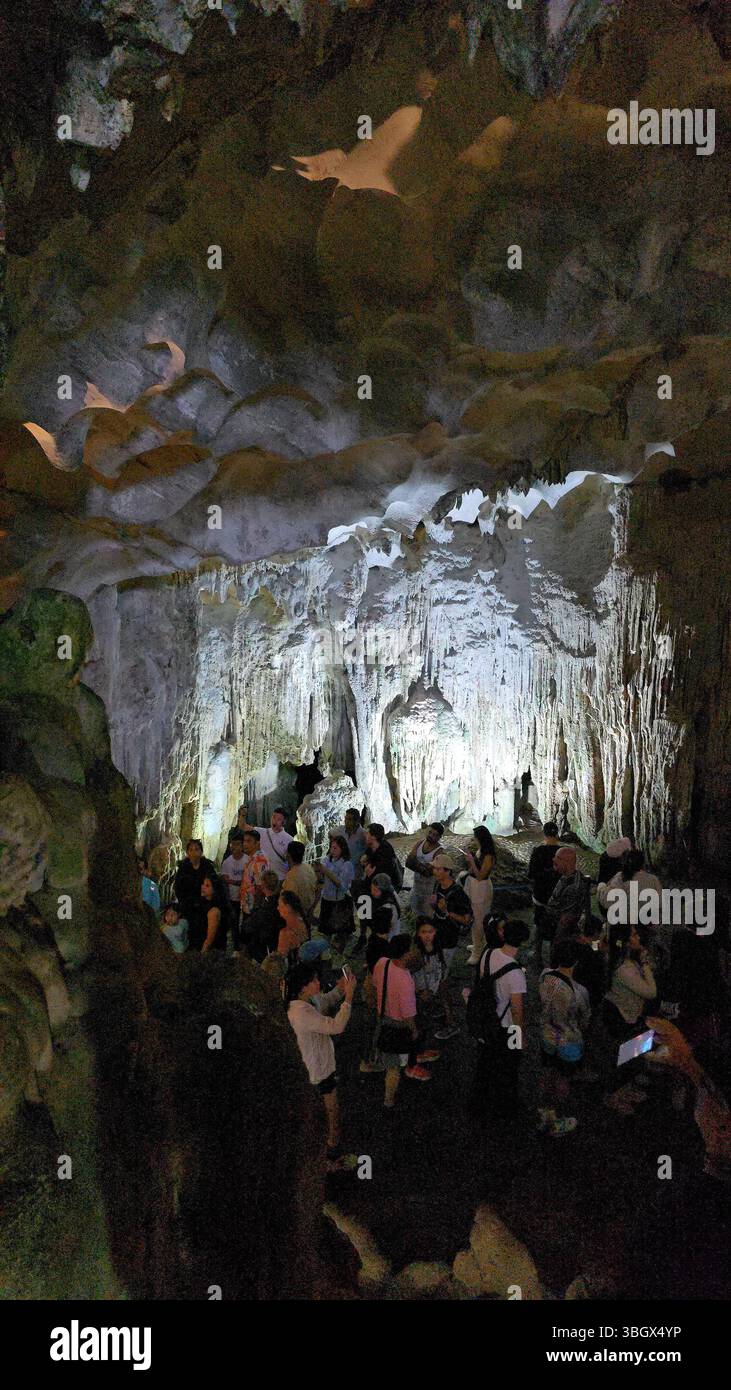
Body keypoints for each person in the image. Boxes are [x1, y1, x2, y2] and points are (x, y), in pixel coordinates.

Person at [286, 961, 357, 1172]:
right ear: (304, 986)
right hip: (318, 1074)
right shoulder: (301, 1013)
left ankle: (324, 1159)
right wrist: (349, 997)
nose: (318, 982)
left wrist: (339, 990)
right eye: (315, 980)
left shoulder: (300, 1003)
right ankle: (328, 1161)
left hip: (313, 1071)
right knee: (331, 1119)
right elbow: (336, 1026)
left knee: (320, 1119)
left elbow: (323, 1002)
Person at [471, 919, 529, 1119]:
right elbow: (517, 1011)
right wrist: (519, 1038)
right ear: (523, 941)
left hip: (486, 1019)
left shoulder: (488, 954)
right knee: (508, 1069)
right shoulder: (516, 974)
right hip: (504, 1026)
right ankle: (506, 1108)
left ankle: (479, 1102)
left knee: (486, 1063)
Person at [373, 935, 437, 1105]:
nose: (416, 950)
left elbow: (375, 983)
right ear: (406, 954)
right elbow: (408, 1014)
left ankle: (408, 1064)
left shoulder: (382, 962)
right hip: (397, 1024)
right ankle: (389, 1100)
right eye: (413, 948)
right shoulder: (405, 979)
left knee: (387, 1056)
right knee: (393, 1067)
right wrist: (414, 1029)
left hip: (382, 1018)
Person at [538, 938, 591, 1137]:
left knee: (547, 1071)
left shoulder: (544, 976)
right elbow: (584, 1019)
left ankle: (544, 1113)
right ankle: (556, 1121)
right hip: (569, 1041)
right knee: (563, 1079)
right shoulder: (579, 992)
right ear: (576, 962)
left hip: (546, 1035)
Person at [602, 923, 657, 1113]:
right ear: (625, 942)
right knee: (626, 1058)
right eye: (633, 935)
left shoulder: (623, 960)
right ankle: (612, 1096)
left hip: (629, 1014)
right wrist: (645, 964)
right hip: (624, 1017)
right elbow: (651, 992)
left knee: (632, 1056)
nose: (638, 938)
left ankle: (626, 1089)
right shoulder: (624, 968)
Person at [412, 918, 458, 1043]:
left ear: (435, 931)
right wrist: (419, 992)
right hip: (419, 991)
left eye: (430, 931)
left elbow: (441, 969)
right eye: (423, 932)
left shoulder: (439, 947)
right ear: (418, 933)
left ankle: (449, 1022)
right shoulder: (414, 952)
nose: (427, 935)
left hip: (434, 986)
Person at [543, 847, 591, 954]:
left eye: (558, 858)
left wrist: (556, 944)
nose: (553, 860)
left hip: (563, 935)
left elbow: (566, 919)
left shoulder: (573, 888)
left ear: (567, 862)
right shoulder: (567, 876)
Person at [430, 854, 472, 970]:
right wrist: (433, 905)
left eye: (438, 869)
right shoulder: (438, 884)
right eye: (434, 868)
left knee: (443, 968)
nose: (434, 872)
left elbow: (466, 920)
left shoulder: (458, 893)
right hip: (436, 933)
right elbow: (437, 909)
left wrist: (447, 912)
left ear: (447, 871)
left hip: (449, 938)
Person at [463, 825, 496, 965]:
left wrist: (471, 861)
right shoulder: (481, 850)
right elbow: (475, 868)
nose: (474, 839)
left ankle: (478, 952)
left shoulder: (488, 855)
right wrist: (470, 861)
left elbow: (481, 875)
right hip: (474, 887)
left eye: (475, 837)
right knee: (474, 916)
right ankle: (477, 945)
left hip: (480, 888)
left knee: (478, 920)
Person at [174, 840, 216, 948]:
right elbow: (178, 887)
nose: (194, 852)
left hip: (204, 905)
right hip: (188, 905)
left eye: (196, 849)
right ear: (187, 852)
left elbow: (213, 885)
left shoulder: (207, 867)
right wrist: (184, 901)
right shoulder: (183, 869)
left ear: (201, 852)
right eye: (191, 850)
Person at [528, 821, 561, 954]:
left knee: (539, 922)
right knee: (556, 924)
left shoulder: (538, 851)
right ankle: (554, 952)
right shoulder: (563, 852)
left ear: (544, 834)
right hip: (558, 894)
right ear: (557, 834)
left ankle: (537, 952)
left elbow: (531, 874)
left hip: (541, 894)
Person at [315, 835, 355, 945]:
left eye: (335, 848)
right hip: (327, 898)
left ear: (342, 849)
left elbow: (341, 886)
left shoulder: (346, 865)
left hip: (338, 901)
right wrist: (319, 873)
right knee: (326, 931)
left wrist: (325, 871)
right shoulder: (327, 859)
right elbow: (322, 879)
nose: (332, 850)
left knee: (339, 931)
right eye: (331, 847)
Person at [239, 829, 270, 953]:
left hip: (253, 908)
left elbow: (260, 887)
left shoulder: (260, 860)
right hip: (248, 905)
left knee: (252, 941)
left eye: (248, 841)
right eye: (244, 841)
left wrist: (256, 910)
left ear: (257, 843)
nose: (245, 844)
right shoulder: (251, 858)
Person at [405, 823, 444, 919]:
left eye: (434, 835)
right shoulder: (420, 843)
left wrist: (416, 864)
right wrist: (424, 867)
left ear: (439, 837)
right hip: (416, 887)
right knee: (415, 911)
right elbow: (408, 862)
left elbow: (429, 873)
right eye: (430, 832)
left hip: (429, 891)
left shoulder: (439, 851)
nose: (431, 836)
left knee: (427, 916)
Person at [243, 806, 293, 881]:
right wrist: (242, 814)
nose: (274, 821)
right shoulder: (262, 832)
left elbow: (291, 862)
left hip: (281, 878)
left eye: (278, 819)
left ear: (284, 822)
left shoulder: (289, 839)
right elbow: (243, 826)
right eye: (273, 817)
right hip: (264, 879)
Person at [247, 870, 281, 961]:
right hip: (277, 942)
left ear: (263, 885)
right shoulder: (281, 902)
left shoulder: (265, 907)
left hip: (265, 947)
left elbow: (252, 925)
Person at [221, 832, 247, 950]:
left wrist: (233, 881)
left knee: (246, 923)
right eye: (232, 844)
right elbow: (225, 881)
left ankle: (244, 944)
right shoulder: (227, 863)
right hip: (233, 897)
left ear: (242, 846)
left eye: (237, 844)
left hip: (246, 897)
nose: (234, 847)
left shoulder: (248, 860)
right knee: (234, 922)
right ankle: (236, 945)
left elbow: (247, 881)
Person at [282, 841, 318, 920]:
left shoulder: (291, 876)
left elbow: (289, 901)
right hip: (307, 910)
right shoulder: (308, 868)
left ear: (288, 855)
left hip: (297, 916)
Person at [276, 890, 310, 966]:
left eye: (280, 905)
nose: (278, 908)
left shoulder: (286, 933)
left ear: (288, 907)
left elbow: (280, 961)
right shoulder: (304, 922)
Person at [199, 874, 229, 953]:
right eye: (203, 884)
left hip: (213, 952)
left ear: (215, 890)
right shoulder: (206, 903)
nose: (203, 887)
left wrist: (201, 954)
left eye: (207, 885)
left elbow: (210, 939)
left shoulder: (214, 910)